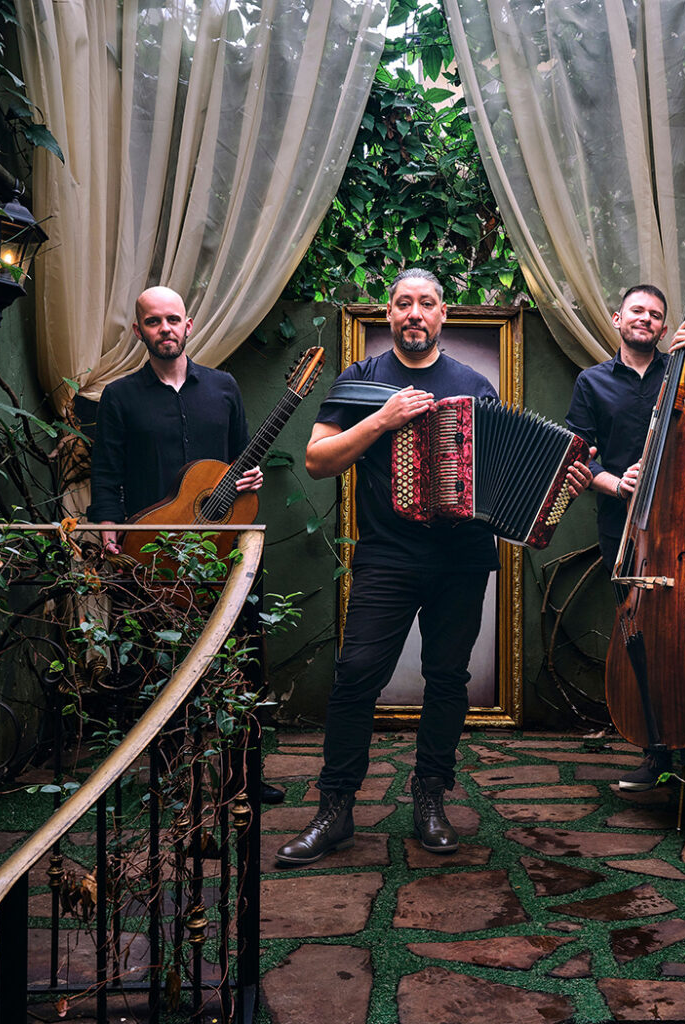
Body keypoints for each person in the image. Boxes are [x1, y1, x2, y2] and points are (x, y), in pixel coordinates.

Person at [275, 268, 589, 866]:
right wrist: (382, 420)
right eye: (402, 304)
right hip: (387, 553)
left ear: (444, 314)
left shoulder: (476, 385)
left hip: (462, 556)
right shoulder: (359, 379)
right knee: (357, 672)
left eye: (426, 303)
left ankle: (430, 797)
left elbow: (511, 472)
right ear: (387, 315)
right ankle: (334, 808)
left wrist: (561, 486)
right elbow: (317, 460)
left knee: (448, 679)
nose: (414, 313)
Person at [87, 285, 281, 802]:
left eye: (173, 319)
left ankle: (245, 777)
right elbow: (105, 471)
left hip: (223, 549)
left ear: (189, 325)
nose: (165, 329)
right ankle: (173, 778)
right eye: (153, 322)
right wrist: (107, 523)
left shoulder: (222, 387)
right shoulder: (120, 396)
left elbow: (240, 460)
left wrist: (251, 479)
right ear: (139, 331)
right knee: (159, 664)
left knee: (243, 661)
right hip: (154, 554)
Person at [565, 284, 685, 791]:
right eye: (637, 311)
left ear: (665, 328)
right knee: (639, 637)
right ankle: (655, 749)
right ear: (619, 318)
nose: (646, 319)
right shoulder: (592, 382)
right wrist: (615, 483)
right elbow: (578, 456)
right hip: (627, 527)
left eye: (656, 315)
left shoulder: (684, 372)